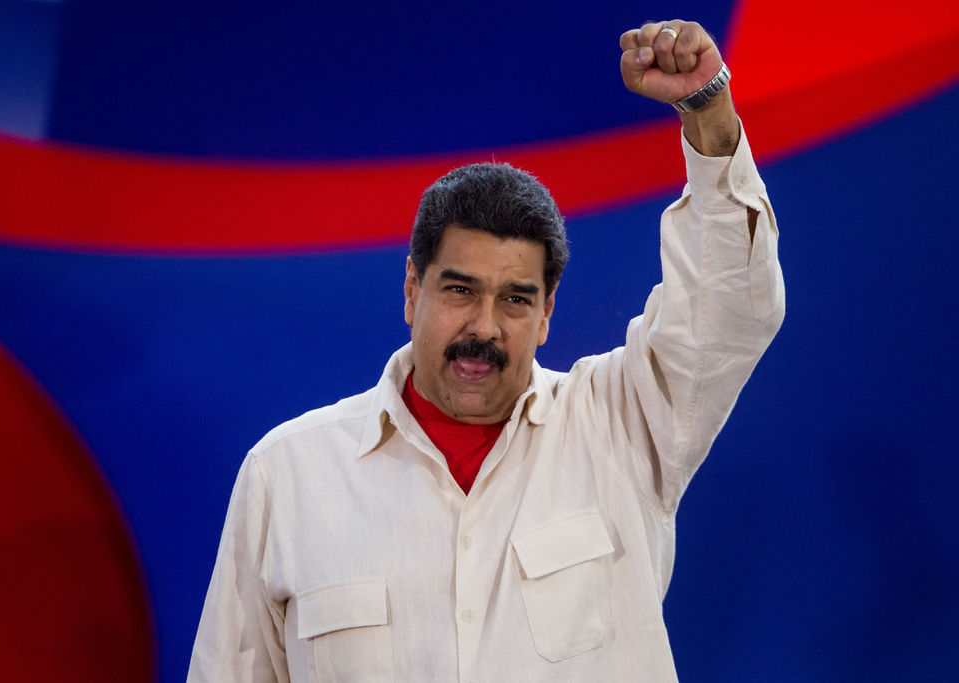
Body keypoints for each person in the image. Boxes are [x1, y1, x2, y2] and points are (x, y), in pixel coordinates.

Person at [189, 19, 784, 682]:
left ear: (547, 313)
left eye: (515, 299)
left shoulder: (621, 425)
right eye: (460, 290)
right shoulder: (287, 474)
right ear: (412, 290)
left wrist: (709, 114)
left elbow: (729, 309)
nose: (485, 326)